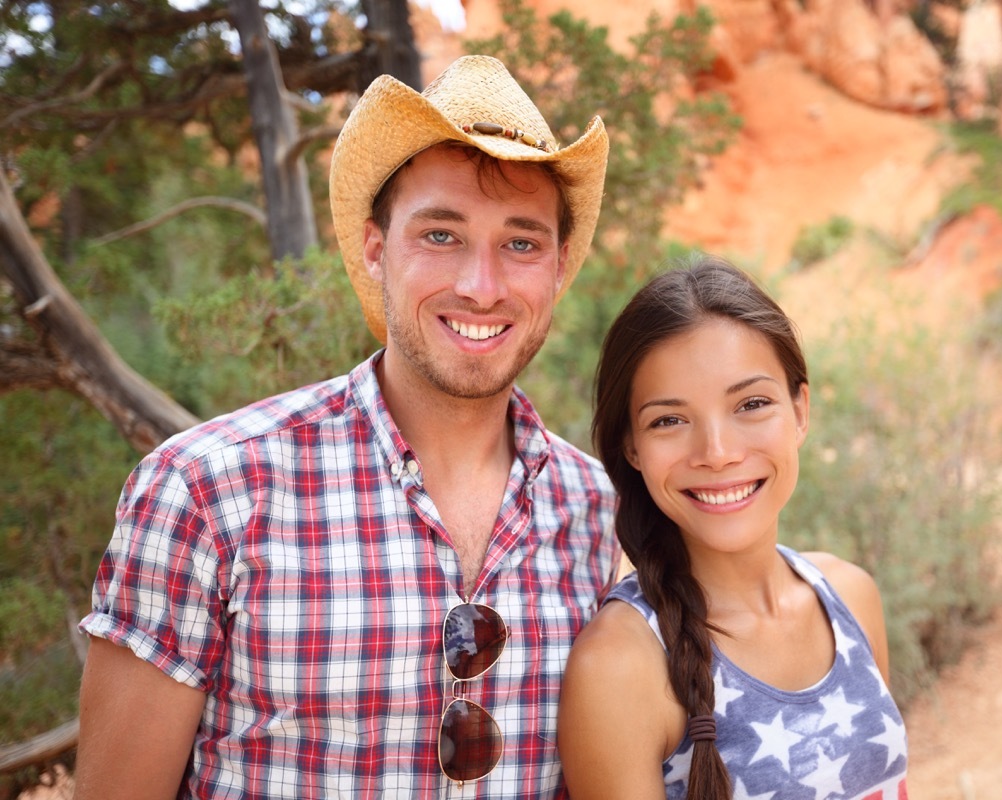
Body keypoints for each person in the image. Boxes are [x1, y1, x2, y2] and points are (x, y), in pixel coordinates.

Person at [74, 55, 621, 798]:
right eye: (441, 235)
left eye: (520, 243)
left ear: (558, 269)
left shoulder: (599, 516)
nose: (480, 285)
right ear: (374, 248)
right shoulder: (206, 492)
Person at [558, 256, 908, 800]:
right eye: (669, 420)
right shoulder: (621, 665)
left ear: (800, 410)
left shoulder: (851, 595)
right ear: (631, 446)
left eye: (751, 403)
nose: (717, 453)